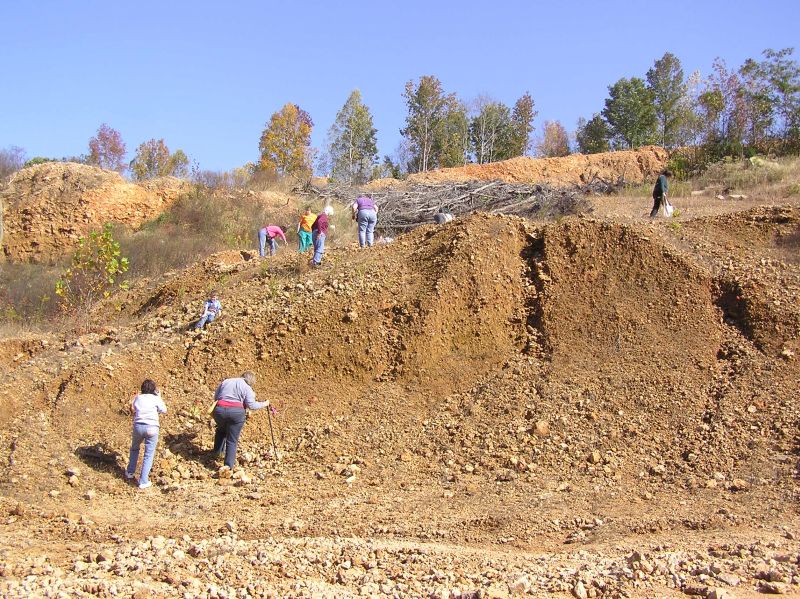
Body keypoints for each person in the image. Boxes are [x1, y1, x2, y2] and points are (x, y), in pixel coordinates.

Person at [212, 371, 268, 469]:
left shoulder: (226, 381)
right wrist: (265, 403)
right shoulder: (247, 388)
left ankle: (217, 453)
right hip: (236, 413)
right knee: (232, 440)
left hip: (219, 410)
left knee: (221, 429)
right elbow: (251, 405)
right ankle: (228, 466)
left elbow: (216, 397)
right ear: (250, 381)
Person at [125, 379, 167, 490]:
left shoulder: (138, 398)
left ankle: (130, 472)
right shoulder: (155, 398)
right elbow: (164, 410)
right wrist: (159, 397)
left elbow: (133, 408)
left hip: (138, 426)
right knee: (148, 454)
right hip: (152, 427)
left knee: (134, 448)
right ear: (153, 389)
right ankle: (143, 481)